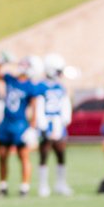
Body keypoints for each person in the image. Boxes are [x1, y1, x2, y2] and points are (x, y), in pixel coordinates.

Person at [0, 54, 42, 197]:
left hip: (20, 124)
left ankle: (24, 187)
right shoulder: (11, 79)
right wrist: (1, 62)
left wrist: (32, 127)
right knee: (2, 155)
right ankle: (3, 186)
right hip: (6, 123)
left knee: (23, 156)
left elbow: (34, 108)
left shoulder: (31, 86)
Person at [37, 53, 74, 197]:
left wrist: (65, 120)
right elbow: (39, 106)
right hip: (47, 122)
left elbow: (65, 104)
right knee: (44, 154)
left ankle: (61, 184)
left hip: (59, 122)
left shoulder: (60, 86)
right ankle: (43, 185)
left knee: (61, 154)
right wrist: (42, 125)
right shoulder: (40, 86)